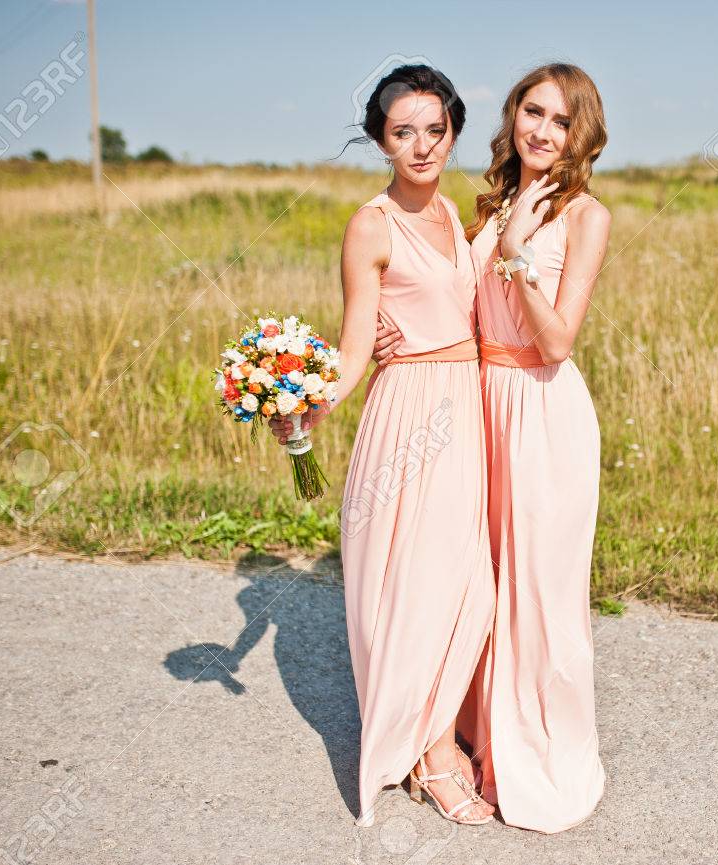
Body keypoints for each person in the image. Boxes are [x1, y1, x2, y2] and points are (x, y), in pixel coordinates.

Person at [373, 62, 612, 833]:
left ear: (581, 132)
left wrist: (513, 250)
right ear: (513, 117)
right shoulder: (492, 203)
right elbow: (452, 302)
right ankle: (470, 736)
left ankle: (538, 755)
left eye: (561, 120)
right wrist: (392, 334)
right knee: (478, 581)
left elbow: (558, 341)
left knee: (539, 592)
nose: (542, 130)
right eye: (532, 112)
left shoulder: (586, 215)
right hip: (477, 404)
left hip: (541, 411)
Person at [272, 64, 496, 827]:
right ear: (380, 139)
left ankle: (440, 727)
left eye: (435, 129)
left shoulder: (453, 213)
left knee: (469, 582)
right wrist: (306, 408)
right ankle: (432, 755)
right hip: (410, 417)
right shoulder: (372, 224)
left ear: (453, 133)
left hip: (465, 409)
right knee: (424, 583)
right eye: (404, 131)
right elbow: (354, 347)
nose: (422, 145)